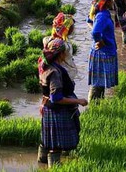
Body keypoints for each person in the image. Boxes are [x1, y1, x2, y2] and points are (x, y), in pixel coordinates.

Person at [37, 38, 88, 167]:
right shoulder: (55, 72)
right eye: (65, 52)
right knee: (56, 145)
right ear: (61, 54)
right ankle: (54, 168)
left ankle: (41, 165)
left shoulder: (45, 66)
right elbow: (56, 97)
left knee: (47, 141)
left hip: (47, 108)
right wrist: (79, 101)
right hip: (57, 111)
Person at [86, 0, 118, 100]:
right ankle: (93, 107)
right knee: (98, 83)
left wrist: (100, 39)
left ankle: (97, 105)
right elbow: (95, 31)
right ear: (106, 1)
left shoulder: (98, 12)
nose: (112, 1)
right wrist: (100, 42)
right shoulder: (103, 15)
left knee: (100, 83)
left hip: (103, 52)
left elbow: (89, 22)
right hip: (103, 53)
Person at [42, 12, 77, 78]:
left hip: (49, 73)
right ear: (67, 30)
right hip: (65, 75)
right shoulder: (66, 46)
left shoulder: (46, 40)